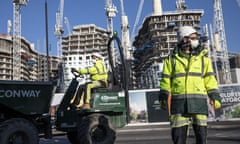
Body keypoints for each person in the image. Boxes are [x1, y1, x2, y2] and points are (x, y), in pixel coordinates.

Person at [159, 26, 221, 144]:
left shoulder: (204, 59)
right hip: (179, 106)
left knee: (201, 139)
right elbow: (165, 81)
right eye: (193, 38)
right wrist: (163, 96)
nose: (196, 40)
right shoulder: (171, 60)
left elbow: (210, 80)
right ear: (184, 39)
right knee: (178, 139)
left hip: (199, 105)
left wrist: (214, 96)